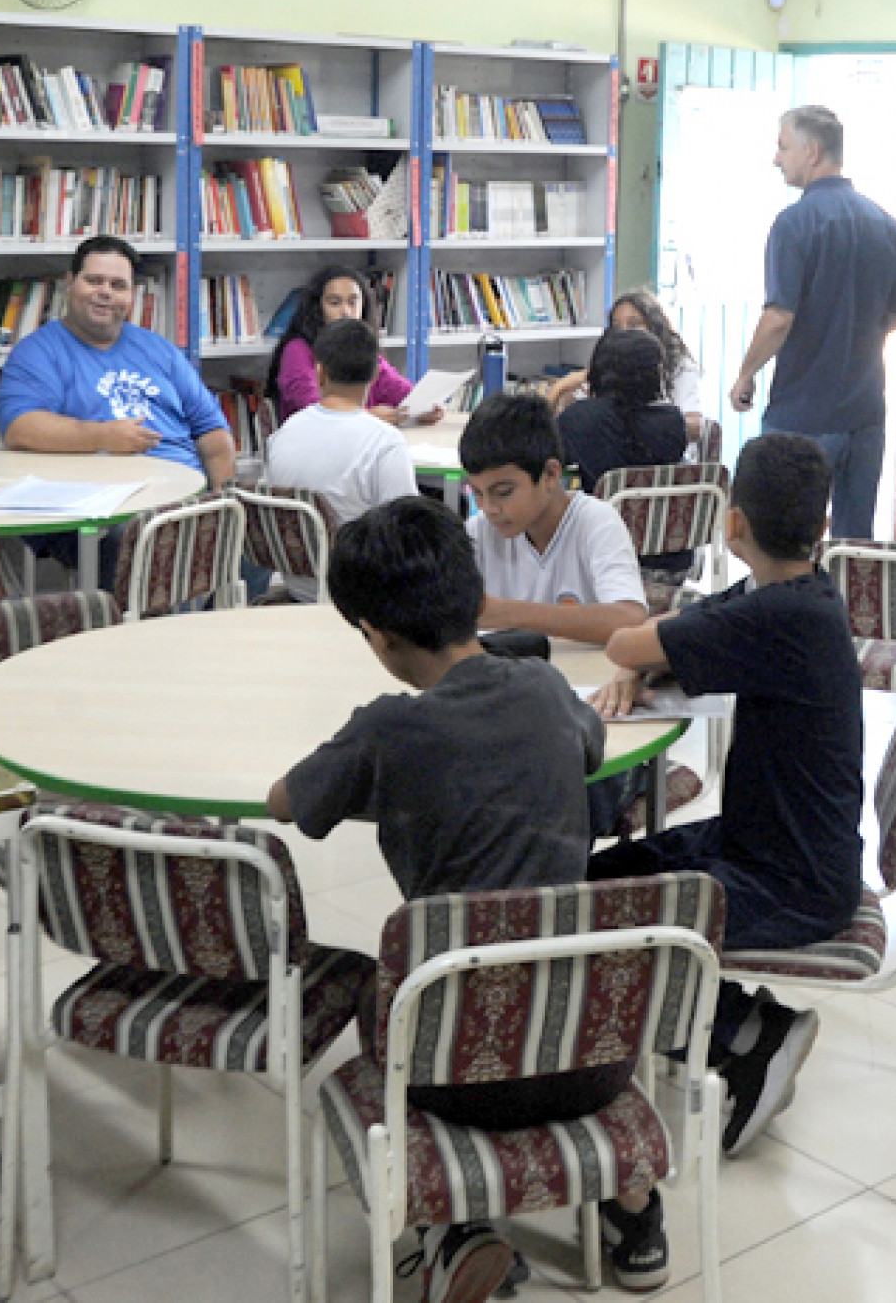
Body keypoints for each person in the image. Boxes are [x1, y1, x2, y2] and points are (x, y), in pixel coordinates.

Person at [266, 497, 668, 1300]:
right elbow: (590, 745)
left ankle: (456, 1228)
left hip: (457, 1071)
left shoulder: (386, 731)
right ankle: (632, 1202)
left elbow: (286, 802)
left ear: (376, 634)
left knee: (389, 1008)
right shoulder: (550, 692)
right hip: (596, 1051)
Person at [588, 433, 863, 1156]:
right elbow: (659, 645)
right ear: (823, 524)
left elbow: (625, 643)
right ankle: (733, 1023)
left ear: (731, 522)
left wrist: (639, 660)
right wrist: (648, 661)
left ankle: (749, 1035)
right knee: (591, 882)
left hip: (790, 880)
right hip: (767, 843)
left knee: (600, 915)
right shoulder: (794, 594)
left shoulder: (780, 614)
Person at [728, 106, 896, 539]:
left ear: (812, 151)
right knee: (853, 549)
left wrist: (745, 374)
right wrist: (864, 330)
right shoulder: (883, 223)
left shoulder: (795, 224)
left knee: (784, 541)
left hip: (803, 416)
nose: (775, 159)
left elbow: (778, 318)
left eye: (782, 147)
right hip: (866, 414)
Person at [0, 235, 235, 486]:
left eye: (118, 285)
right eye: (94, 281)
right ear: (70, 283)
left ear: (132, 294)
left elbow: (213, 431)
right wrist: (103, 437)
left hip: (188, 497)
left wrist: (223, 501)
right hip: (110, 505)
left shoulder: (160, 349)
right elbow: (20, 428)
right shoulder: (38, 352)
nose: (105, 293)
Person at [460, 391, 649, 647]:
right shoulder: (478, 532)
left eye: (503, 492)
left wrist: (506, 613)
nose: (489, 508)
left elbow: (631, 620)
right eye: (477, 493)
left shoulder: (596, 522)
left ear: (550, 474)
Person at [262, 320, 419, 601]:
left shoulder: (282, 435)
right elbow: (406, 539)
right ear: (374, 375)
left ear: (319, 373)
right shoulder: (385, 442)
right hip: (363, 597)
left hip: (299, 587)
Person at [266, 265, 437, 425]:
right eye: (335, 303)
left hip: (358, 441)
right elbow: (311, 405)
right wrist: (368, 416)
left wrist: (423, 406)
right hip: (313, 444)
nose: (346, 312)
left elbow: (394, 386)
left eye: (353, 302)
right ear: (317, 307)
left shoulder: (362, 346)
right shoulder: (298, 349)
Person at [550, 289, 705, 439]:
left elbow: (695, 427)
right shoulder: (608, 365)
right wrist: (564, 392)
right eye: (617, 327)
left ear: (654, 327)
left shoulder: (679, 365)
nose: (624, 333)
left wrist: (652, 423)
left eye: (634, 325)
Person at [558, 326, 690, 495]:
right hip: (659, 520)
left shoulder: (577, 419)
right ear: (653, 375)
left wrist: (557, 390)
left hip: (596, 518)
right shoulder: (673, 422)